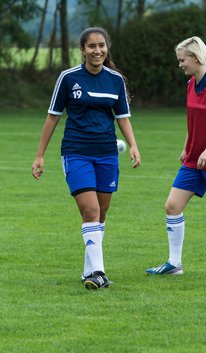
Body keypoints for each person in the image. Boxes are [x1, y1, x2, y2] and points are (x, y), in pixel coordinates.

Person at [32, 27, 141, 289]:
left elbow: (122, 117)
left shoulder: (115, 80)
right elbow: (52, 117)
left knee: (100, 214)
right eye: (91, 46)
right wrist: (39, 156)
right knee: (90, 210)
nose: (97, 51)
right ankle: (100, 273)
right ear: (82, 50)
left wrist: (133, 145)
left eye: (101, 45)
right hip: (76, 152)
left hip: (106, 154)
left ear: (107, 47)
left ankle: (88, 272)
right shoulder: (68, 78)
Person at [146, 36, 206, 275]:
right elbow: (194, 122)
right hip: (195, 160)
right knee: (172, 206)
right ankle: (174, 264)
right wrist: (188, 146)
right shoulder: (190, 85)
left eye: (182, 60)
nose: (180, 65)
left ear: (196, 58)